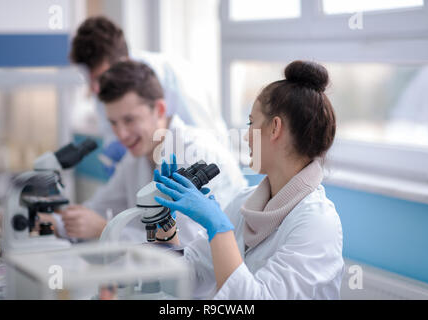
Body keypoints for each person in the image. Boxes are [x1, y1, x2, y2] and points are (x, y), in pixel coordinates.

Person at [153, 61, 344, 299]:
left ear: (275, 128)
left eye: (251, 123)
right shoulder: (246, 203)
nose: (246, 136)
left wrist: (218, 229)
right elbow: (184, 283)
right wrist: (165, 224)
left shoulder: (317, 223)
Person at [55, 60, 247, 245]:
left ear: (160, 110)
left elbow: (183, 246)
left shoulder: (194, 154)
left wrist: (105, 229)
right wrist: (54, 222)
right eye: (113, 123)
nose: (121, 134)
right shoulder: (136, 158)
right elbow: (98, 208)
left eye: (129, 120)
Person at [70, 16, 229, 175]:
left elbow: (208, 145)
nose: (96, 88)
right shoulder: (105, 87)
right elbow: (113, 134)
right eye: (91, 80)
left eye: (100, 77)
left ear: (124, 59)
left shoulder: (175, 76)